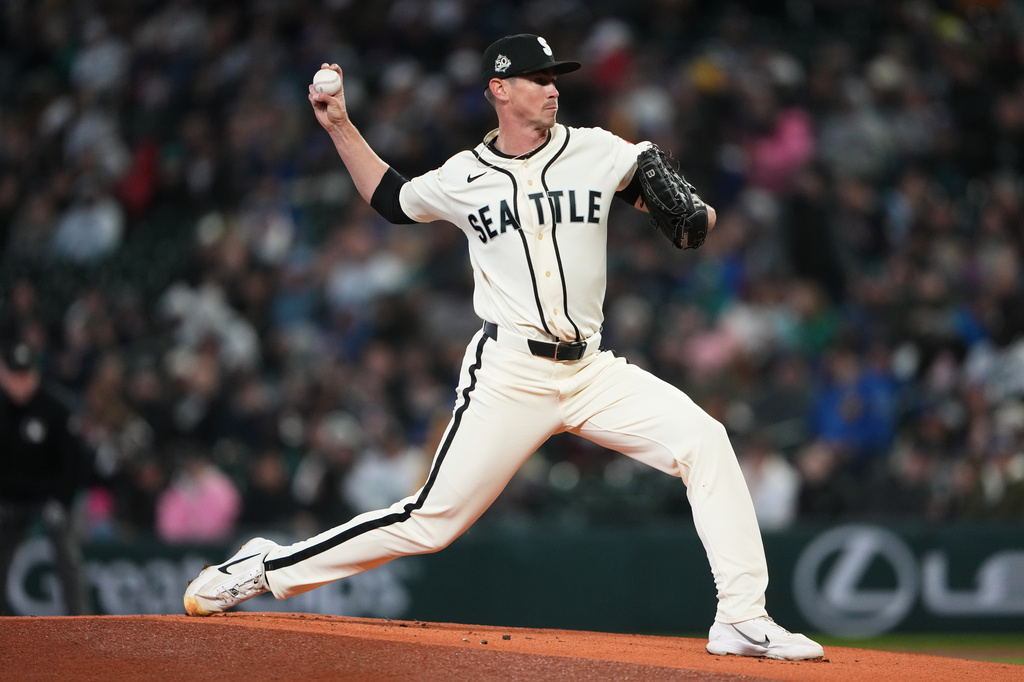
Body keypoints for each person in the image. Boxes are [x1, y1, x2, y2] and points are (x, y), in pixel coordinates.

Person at [184, 34, 823, 661]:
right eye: (539, 79)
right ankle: (263, 568)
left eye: (555, 79)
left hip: (592, 369)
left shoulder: (597, 150)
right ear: (499, 89)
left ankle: (742, 617)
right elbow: (391, 200)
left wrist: (689, 206)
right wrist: (340, 126)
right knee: (429, 521)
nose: (552, 89)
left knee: (705, 441)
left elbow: (695, 224)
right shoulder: (466, 174)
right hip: (510, 372)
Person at [0, 340, 94, 615]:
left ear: (36, 374)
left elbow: (74, 464)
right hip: (8, 498)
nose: (21, 382)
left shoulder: (55, 407)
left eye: (26, 375)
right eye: (15, 375)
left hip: (50, 496)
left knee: (67, 551)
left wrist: (61, 501)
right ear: (4, 375)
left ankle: (80, 618)